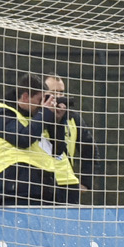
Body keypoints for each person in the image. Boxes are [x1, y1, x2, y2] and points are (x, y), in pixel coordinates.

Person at [0, 73, 74, 205]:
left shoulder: (40, 115)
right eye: (39, 99)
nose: (42, 104)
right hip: (16, 188)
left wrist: (57, 122)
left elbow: (57, 151)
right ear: (25, 97)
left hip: (45, 187)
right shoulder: (2, 113)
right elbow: (23, 139)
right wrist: (44, 113)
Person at [43, 74, 100, 204]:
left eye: (61, 92)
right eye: (53, 93)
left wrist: (85, 183)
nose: (58, 97)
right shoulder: (34, 115)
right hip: (40, 183)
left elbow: (90, 150)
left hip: (66, 183)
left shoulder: (73, 118)